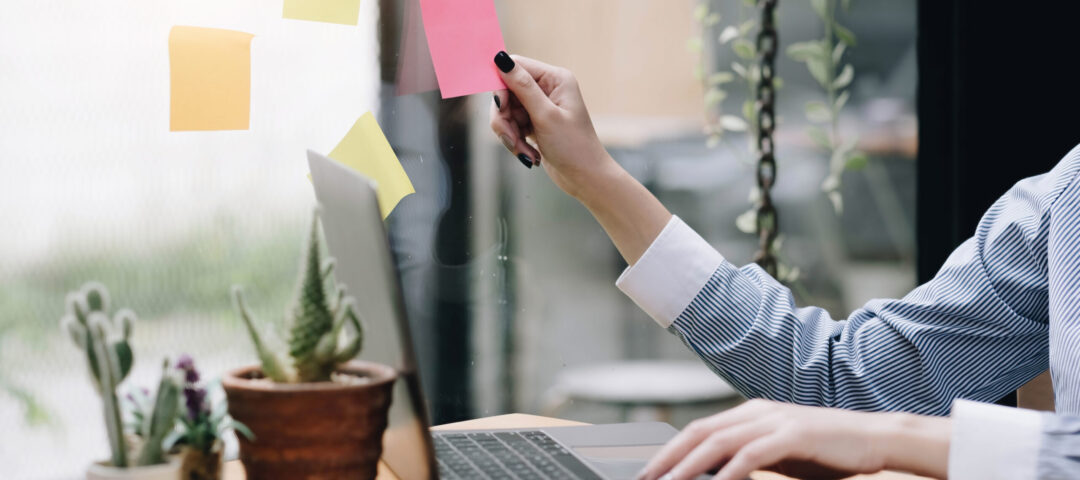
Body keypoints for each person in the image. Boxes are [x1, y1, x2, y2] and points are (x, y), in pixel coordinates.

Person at [488, 51, 1080, 480]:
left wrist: (891, 439)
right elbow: (840, 383)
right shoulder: (1065, 198)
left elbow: (865, 423)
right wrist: (595, 177)